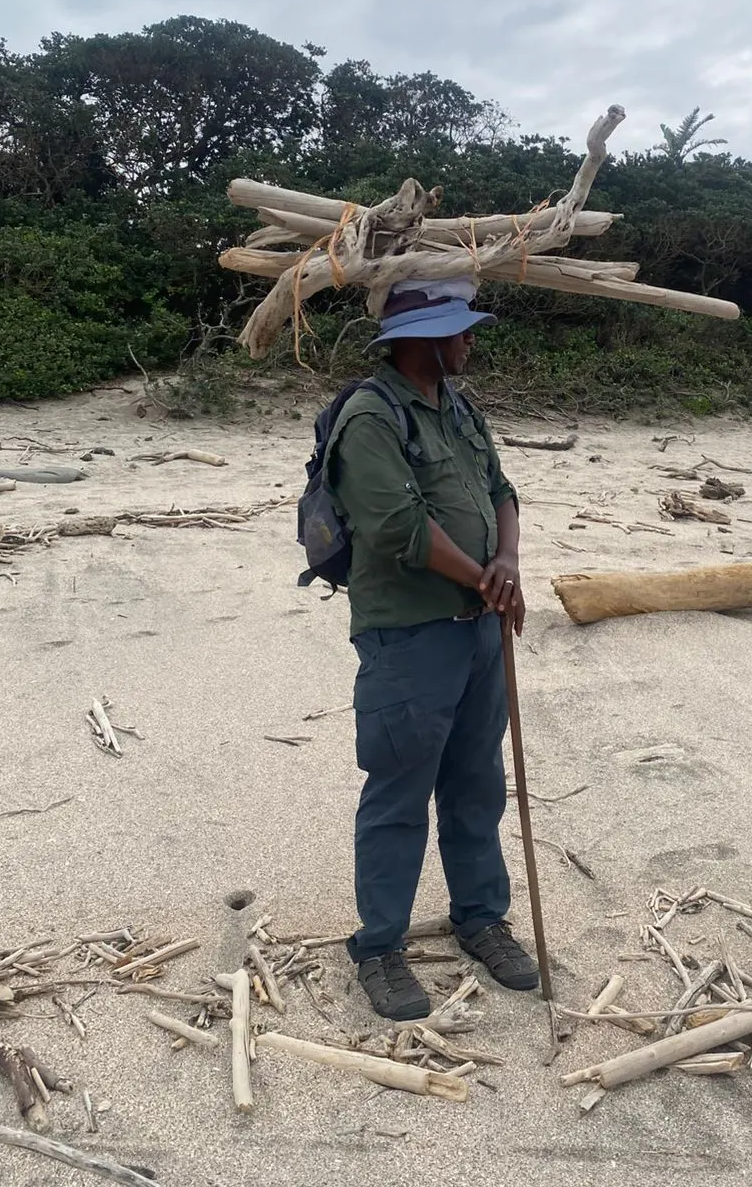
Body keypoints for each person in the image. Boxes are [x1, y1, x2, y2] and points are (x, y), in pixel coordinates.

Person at [324, 278, 539, 1020]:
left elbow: (501, 491)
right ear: (422, 342)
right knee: (399, 793)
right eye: (460, 330)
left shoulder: (460, 406)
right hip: (409, 639)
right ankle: (380, 947)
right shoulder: (369, 418)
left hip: (480, 629)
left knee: (477, 783)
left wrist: (506, 567)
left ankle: (480, 917)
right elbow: (400, 531)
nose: (472, 340)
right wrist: (487, 579)